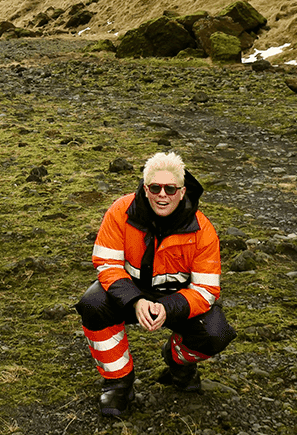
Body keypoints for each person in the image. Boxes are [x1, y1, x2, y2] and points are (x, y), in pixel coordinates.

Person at [74, 151, 236, 418]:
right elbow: (107, 264)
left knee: (216, 333)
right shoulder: (120, 212)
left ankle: (176, 360)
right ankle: (119, 382)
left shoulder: (203, 230)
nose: (163, 195)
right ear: (145, 188)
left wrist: (168, 308)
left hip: (178, 301)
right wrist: (135, 301)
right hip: (129, 294)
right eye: (155, 188)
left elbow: (206, 291)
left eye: (170, 188)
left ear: (182, 192)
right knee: (92, 304)